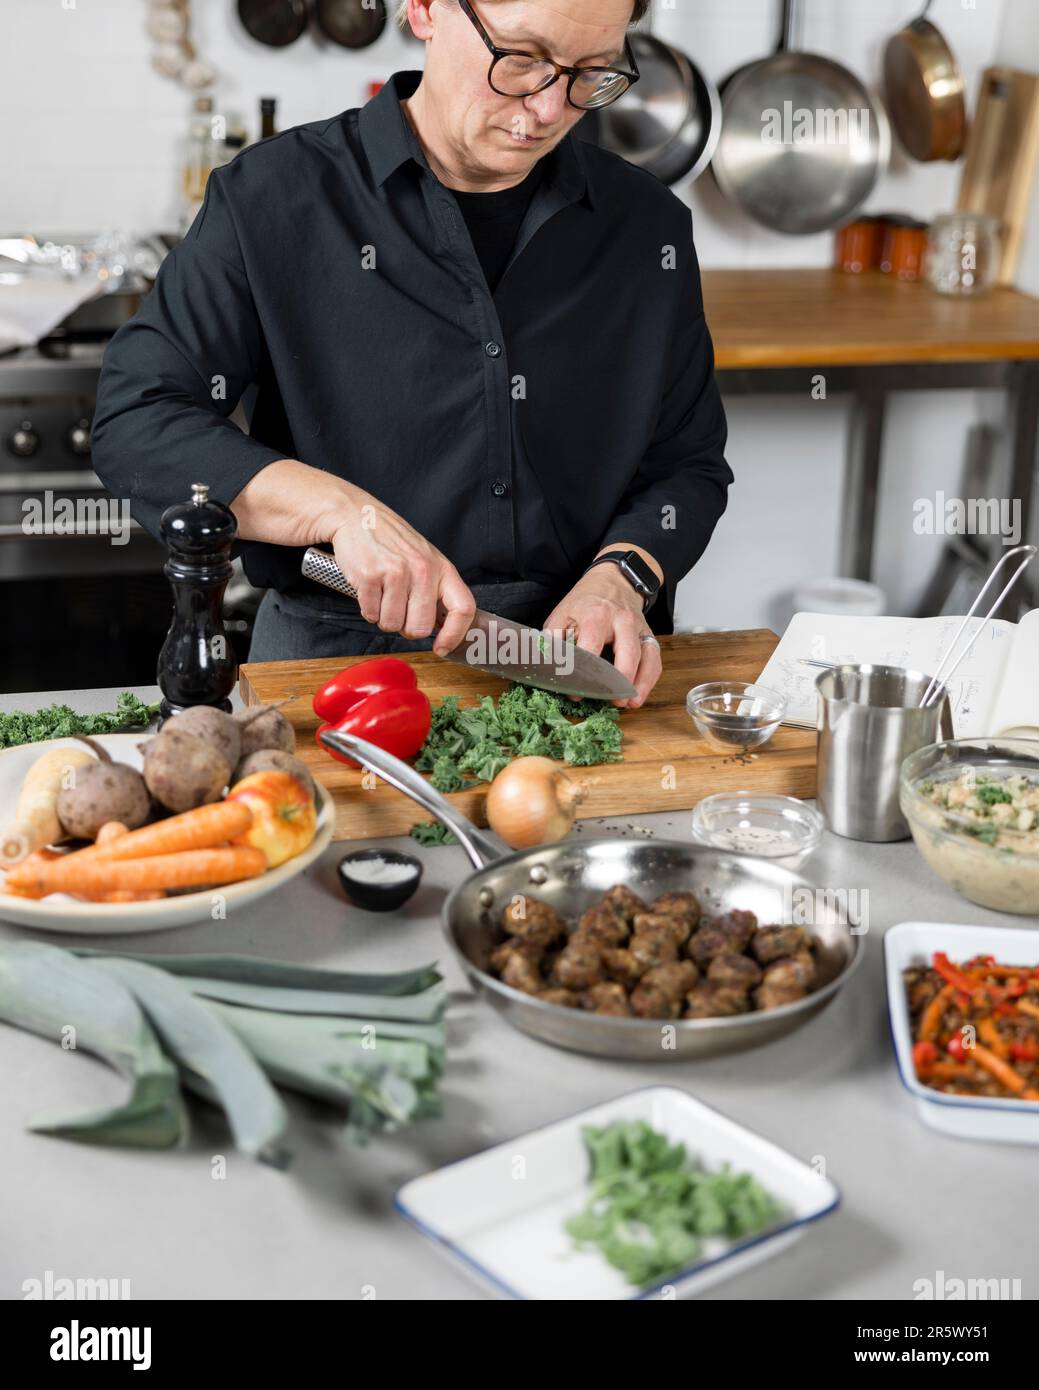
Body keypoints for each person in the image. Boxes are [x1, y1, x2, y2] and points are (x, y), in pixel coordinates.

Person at [92, 0, 731, 708]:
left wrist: (624, 576)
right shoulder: (271, 198)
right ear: (424, 11)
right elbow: (138, 419)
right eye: (520, 59)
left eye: (590, 73)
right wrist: (337, 511)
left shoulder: (646, 228)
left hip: (574, 666)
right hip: (334, 667)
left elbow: (686, 464)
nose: (547, 109)